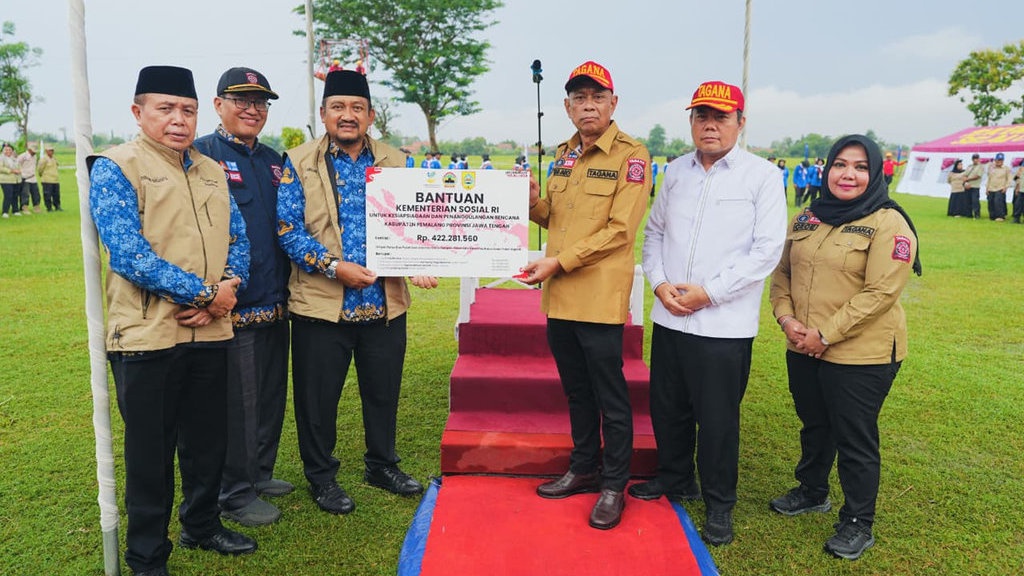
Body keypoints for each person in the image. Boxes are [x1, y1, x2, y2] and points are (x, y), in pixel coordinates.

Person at [88, 65, 256, 576]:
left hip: (211, 329)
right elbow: (129, 254)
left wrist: (225, 292)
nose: (178, 119)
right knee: (150, 454)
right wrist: (208, 293)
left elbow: (239, 242)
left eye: (187, 110)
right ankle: (146, 556)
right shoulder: (116, 166)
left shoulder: (210, 169)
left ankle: (201, 526)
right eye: (165, 109)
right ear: (139, 113)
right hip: (147, 335)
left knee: (208, 441)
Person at [276, 70, 437, 516]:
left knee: (383, 392)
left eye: (357, 108)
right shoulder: (299, 160)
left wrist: (420, 259)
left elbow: (416, 223)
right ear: (324, 113)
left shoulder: (396, 161)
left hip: (384, 305)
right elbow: (287, 230)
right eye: (338, 108)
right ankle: (322, 478)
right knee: (317, 400)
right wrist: (332, 267)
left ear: (369, 115)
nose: (347, 116)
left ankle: (381, 465)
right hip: (321, 306)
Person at [633, 80, 787, 547]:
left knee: (718, 419)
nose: (710, 125)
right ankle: (677, 477)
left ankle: (720, 504)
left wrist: (710, 293)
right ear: (691, 121)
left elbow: (767, 251)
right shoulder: (676, 171)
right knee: (669, 408)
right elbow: (654, 234)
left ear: (741, 122)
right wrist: (659, 284)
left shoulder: (761, 176)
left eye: (721, 116)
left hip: (723, 325)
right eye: (702, 116)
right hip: (670, 316)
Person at [769, 134, 921, 561]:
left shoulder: (889, 223)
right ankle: (813, 489)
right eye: (840, 164)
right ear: (826, 169)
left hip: (862, 353)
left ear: (874, 174)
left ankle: (857, 521)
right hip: (803, 344)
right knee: (815, 422)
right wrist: (787, 320)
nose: (847, 174)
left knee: (854, 436)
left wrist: (825, 334)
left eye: (859, 167)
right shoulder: (807, 217)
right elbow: (781, 275)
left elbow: (880, 293)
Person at [522, 60, 650, 531]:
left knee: (610, 396)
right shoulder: (564, 154)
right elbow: (552, 216)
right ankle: (583, 466)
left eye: (597, 97)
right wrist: (532, 199)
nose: (588, 105)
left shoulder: (632, 155)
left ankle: (615, 484)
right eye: (579, 98)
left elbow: (620, 232)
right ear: (567, 107)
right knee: (576, 391)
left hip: (597, 297)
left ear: (613, 103)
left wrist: (558, 262)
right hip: (559, 297)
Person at [192, 67, 293, 528]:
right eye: (241, 100)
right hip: (233, 307)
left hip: (277, 300)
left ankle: (258, 474)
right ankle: (233, 491)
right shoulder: (200, 157)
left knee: (271, 397)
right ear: (218, 105)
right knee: (240, 404)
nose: (252, 109)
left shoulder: (276, 161)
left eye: (261, 102)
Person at [985, 152, 1012, 221]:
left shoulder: (1006, 169)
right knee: (990, 202)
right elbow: (989, 178)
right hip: (991, 188)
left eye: (1001, 160)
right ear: (995, 160)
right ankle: (992, 216)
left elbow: (1009, 179)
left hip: (1000, 188)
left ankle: (1000, 216)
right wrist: (987, 188)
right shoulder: (991, 168)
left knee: (998, 202)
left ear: (1003, 161)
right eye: (998, 160)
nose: (999, 162)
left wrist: (1006, 187)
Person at [17, 144, 41, 213]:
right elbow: (17, 164)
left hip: (33, 178)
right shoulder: (23, 156)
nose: (34, 152)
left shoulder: (35, 156)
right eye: (33, 151)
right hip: (25, 178)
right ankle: (24, 207)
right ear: (29, 150)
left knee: (36, 193)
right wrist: (20, 172)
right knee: (25, 194)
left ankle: (36, 207)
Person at [37, 144, 61, 211]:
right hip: (47, 180)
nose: (51, 152)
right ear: (46, 151)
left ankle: (57, 206)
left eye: (52, 150)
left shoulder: (54, 158)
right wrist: (42, 175)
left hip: (55, 180)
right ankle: (49, 207)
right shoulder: (44, 159)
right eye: (50, 150)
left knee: (56, 195)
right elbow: (40, 169)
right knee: (47, 195)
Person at [0, 143, 21, 218]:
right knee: (8, 195)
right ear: (3, 150)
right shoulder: (1, 158)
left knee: (15, 195)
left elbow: (18, 166)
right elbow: (1, 168)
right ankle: (5, 212)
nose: (8, 151)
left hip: (15, 180)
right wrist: (11, 171)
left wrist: (19, 171)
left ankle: (15, 210)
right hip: (5, 180)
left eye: (10, 149)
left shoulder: (14, 158)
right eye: (6, 150)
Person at [963, 153, 984, 219]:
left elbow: (978, 176)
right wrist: (965, 182)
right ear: (972, 159)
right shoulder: (969, 166)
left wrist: (968, 179)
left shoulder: (980, 167)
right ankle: (968, 214)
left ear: (979, 159)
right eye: (974, 159)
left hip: (975, 186)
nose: (975, 160)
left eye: (977, 158)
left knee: (975, 201)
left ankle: (977, 214)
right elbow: (965, 174)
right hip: (967, 186)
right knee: (967, 201)